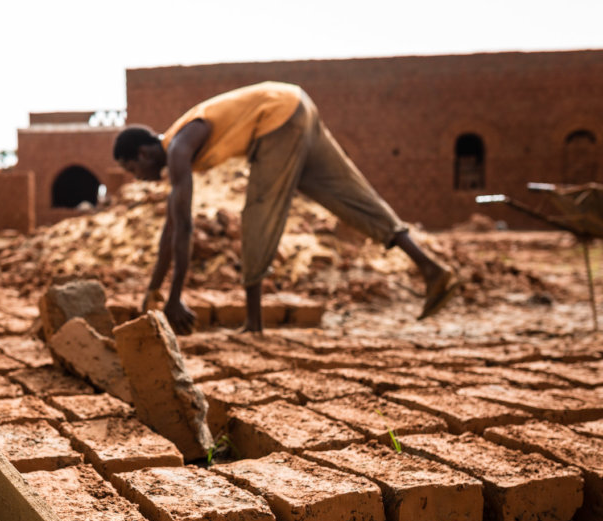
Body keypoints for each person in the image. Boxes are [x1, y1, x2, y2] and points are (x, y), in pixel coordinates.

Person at [113, 81, 459, 334]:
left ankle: (253, 323)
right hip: (298, 106)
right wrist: (153, 292)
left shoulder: (178, 148)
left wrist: (174, 298)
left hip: (277, 119)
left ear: (143, 154)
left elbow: (183, 228)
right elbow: (171, 228)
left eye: (132, 170)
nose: (138, 178)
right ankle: (430, 268)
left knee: (259, 213)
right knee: (349, 195)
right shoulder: (182, 141)